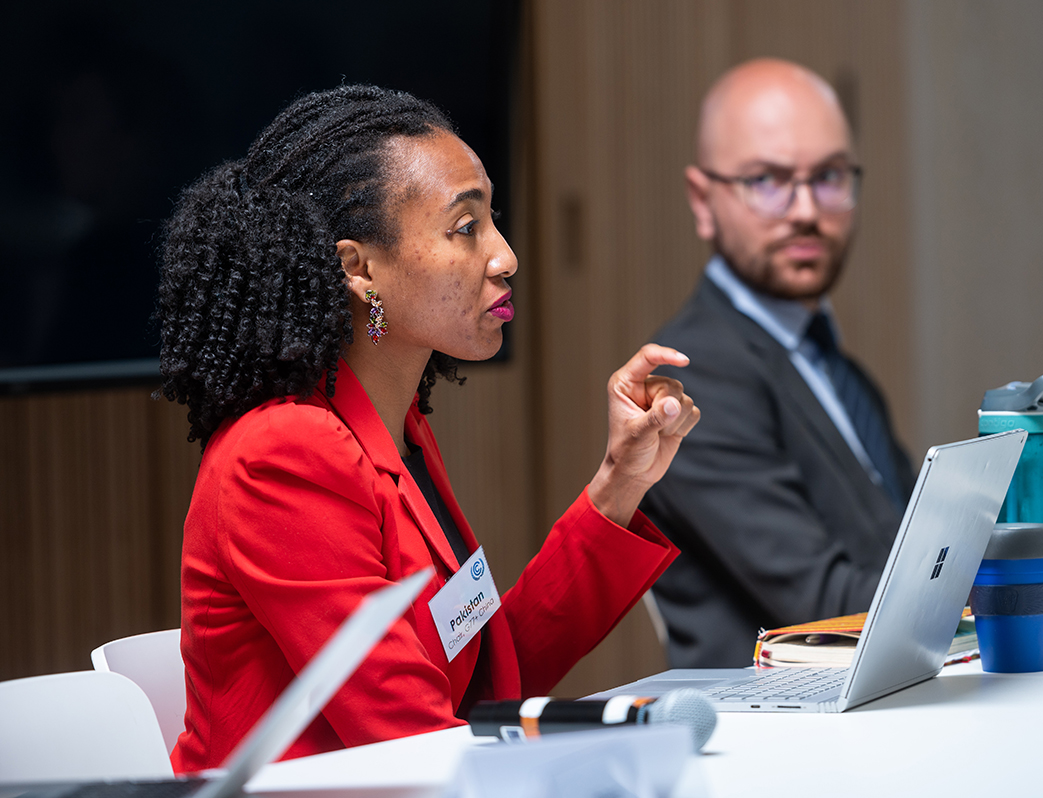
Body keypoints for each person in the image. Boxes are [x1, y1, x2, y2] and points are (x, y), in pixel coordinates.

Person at [157, 85, 699, 772]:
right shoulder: (283, 453)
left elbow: (487, 681)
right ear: (358, 269)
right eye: (465, 228)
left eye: (491, 219)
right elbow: (413, 740)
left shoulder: (397, 431)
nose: (505, 257)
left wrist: (621, 482)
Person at [639, 59, 915, 668]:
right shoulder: (690, 379)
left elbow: (913, 552)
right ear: (702, 200)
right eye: (766, 180)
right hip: (779, 736)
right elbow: (827, 609)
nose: (805, 210)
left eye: (829, 177)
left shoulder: (833, 366)